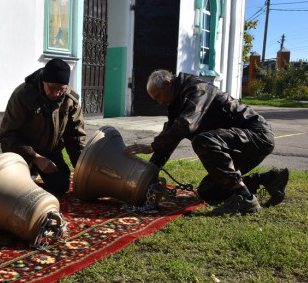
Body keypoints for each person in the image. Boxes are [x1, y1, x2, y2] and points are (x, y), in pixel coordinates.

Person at [124, 69, 289, 215]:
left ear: (167, 83)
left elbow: (185, 125)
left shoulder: (196, 89)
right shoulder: (177, 103)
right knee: (207, 191)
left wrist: (152, 146)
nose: (159, 102)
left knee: (203, 141)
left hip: (257, 136)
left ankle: (245, 198)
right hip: (236, 143)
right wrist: (148, 175)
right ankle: (269, 179)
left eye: (158, 95)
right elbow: (170, 138)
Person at [0, 58, 86, 194]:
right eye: (52, 88)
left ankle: (33, 172)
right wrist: (36, 158)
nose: (56, 93)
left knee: (61, 186)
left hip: (50, 151)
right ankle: (26, 169)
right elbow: (7, 136)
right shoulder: (23, 95)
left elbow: (75, 136)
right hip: (22, 150)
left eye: (61, 89)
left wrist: (82, 169)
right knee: (16, 191)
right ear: (44, 81)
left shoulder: (70, 100)